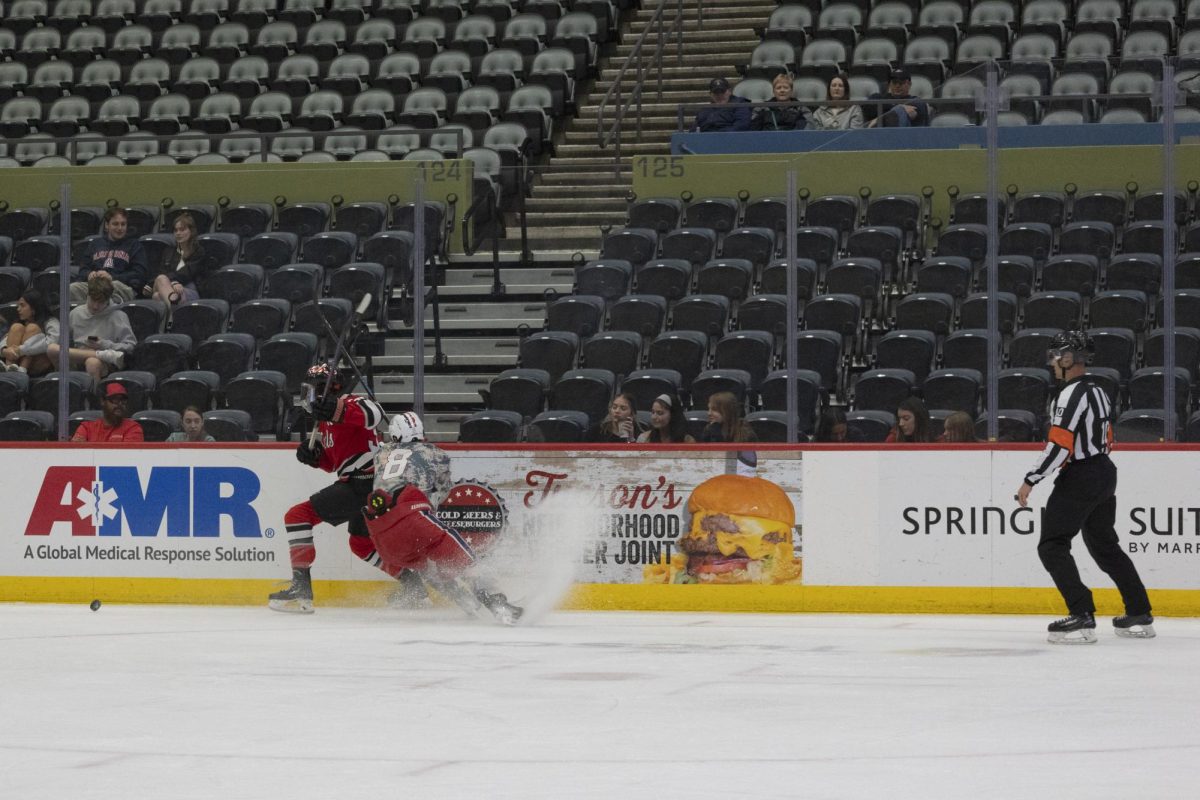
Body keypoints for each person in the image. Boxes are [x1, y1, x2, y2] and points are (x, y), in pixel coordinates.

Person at [1014, 331, 1154, 644]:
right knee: (1105, 546)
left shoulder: (1068, 395)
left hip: (1082, 475)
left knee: (1052, 544)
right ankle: (1139, 612)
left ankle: (1081, 615)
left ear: (1067, 358)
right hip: (1104, 471)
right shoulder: (1100, 390)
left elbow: (1060, 445)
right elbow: (1107, 437)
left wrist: (1030, 479)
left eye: (1054, 356)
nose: (1051, 363)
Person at [269, 363, 429, 613]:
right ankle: (413, 584)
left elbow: (374, 413)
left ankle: (301, 589)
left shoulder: (351, 402)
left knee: (297, 516)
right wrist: (316, 457)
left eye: (312, 390)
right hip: (357, 484)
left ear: (326, 389)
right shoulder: (323, 423)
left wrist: (337, 408)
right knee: (361, 544)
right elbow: (335, 464)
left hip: (367, 483)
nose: (308, 396)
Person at [364, 411, 523, 625]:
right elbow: (441, 492)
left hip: (381, 535)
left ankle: (463, 600)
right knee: (464, 559)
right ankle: (497, 604)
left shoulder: (381, 453)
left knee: (428, 565)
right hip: (412, 516)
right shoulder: (436, 454)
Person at [47, 275, 136, 382]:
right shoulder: (75, 313)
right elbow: (65, 343)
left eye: (100, 302)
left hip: (104, 363)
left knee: (92, 362)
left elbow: (130, 347)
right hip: (78, 357)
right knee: (52, 348)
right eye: (93, 300)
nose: (95, 306)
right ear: (87, 295)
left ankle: (93, 397)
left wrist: (103, 344)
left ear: (108, 300)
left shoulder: (118, 316)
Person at [67, 208, 149, 305]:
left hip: (120, 286)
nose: (120, 228)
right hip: (95, 285)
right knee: (71, 289)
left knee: (106, 289)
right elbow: (83, 270)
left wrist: (112, 277)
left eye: (123, 224)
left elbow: (139, 274)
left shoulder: (135, 245)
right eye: (115, 224)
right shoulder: (95, 244)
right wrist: (90, 274)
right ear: (106, 225)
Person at [145, 212, 207, 308]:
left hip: (190, 289)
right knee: (158, 292)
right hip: (170, 288)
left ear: (191, 231)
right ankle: (174, 313)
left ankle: (172, 314)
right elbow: (162, 272)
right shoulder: (169, 251)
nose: (178, 233)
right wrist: (173, 283)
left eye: (182, 230)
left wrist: (173, 281)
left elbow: (187, 272)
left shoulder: (199, 251)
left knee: (158, 293)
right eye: (176, 230)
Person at [0, 289, 58, 376]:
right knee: (16, 327)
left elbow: (53, 343)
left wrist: (22, 350)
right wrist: (4, 350)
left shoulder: (51, 322)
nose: (18, 309)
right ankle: (9, 368)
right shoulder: (20, 323)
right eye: (18, 306)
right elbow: (6, 338)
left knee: (32, 327)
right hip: (16, 361)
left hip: (41, 364)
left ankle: (22, 370)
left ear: (34, 307)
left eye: (22, 306)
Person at [72, 382, 143, 442]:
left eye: (123, 400)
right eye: (115, 400)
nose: (120, 404)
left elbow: (127, 456)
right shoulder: (87, 428)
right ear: (102, 401)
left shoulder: (133, 428)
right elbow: (77, 453)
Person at [865, 67, 931, 128]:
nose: (897, 86)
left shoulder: (916, 101)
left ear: (909, 84)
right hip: (879, 135)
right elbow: (867, 108)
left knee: (900, 111)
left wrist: (878, 119)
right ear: (889, 84)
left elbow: (915, 112)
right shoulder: (878, 97)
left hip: (907, 136)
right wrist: (900, 106)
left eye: (901, 83)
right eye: (894, 82)